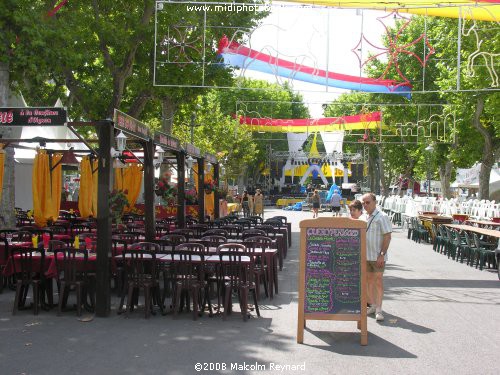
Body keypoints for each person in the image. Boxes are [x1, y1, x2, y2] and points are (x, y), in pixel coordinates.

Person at [361, 193, 392, 322]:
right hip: (365, 256)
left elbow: (387, 236)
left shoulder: (382, 217)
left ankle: (379, 309)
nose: (365, 205)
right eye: (363, 203)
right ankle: (373, 305)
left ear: (375, 202)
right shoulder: (364, 217)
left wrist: (382, 254)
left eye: (367, 202)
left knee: (378, 282)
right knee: (368, 282)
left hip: (377, 256)